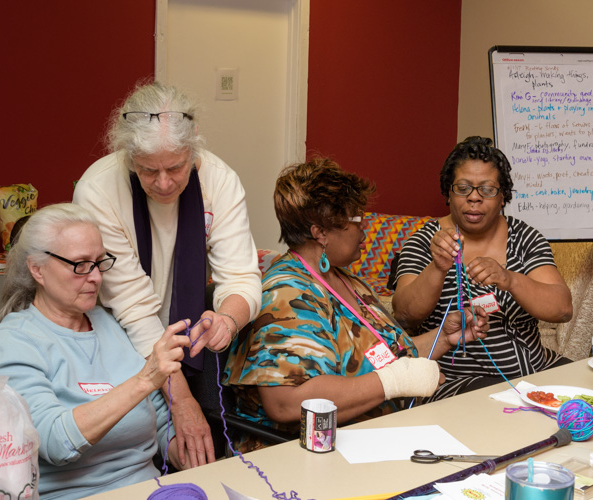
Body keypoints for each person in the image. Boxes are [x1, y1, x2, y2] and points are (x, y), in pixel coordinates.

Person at [224, 159, 488, 452]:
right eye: (357, 220)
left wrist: (446, 336)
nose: (365, 231)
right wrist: (394, 382)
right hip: (306, 451)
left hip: (375, 433)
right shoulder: (287, 292)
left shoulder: (346, 280)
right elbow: (285, 403)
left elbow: (389, 358)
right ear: (320, 232)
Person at [72, 81, 262, 466]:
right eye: (147, 170)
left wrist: (228, 318)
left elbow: (241, 276)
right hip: (119, 339)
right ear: (128, 157)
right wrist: (179, 399)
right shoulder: (99, 189)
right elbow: (133, 307)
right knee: (133, 448)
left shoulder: (218, 181)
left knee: (203, 447)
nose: (163, 182)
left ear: (194, 146)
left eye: (175, 167)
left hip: (189, 336)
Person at [0, 204, 189, 499]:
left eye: (100, 262)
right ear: (37, 269)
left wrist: (193, 454)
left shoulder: (114, 325)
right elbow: (54, 443)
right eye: (80, 265)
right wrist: (144, 380)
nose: (95, 277)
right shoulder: (11, 344)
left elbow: (162, 425)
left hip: (149, 490)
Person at [392, 136, 573, 401]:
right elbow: (404, 315)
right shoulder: (424, 242)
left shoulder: (524, 237)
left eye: (487, 190)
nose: (474, 198)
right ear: (448, 193)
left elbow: (562, 309)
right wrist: (438, 268)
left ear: (502, 197)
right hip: (456, 381)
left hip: (535, 370)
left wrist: (509, 279)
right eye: (463, 188)